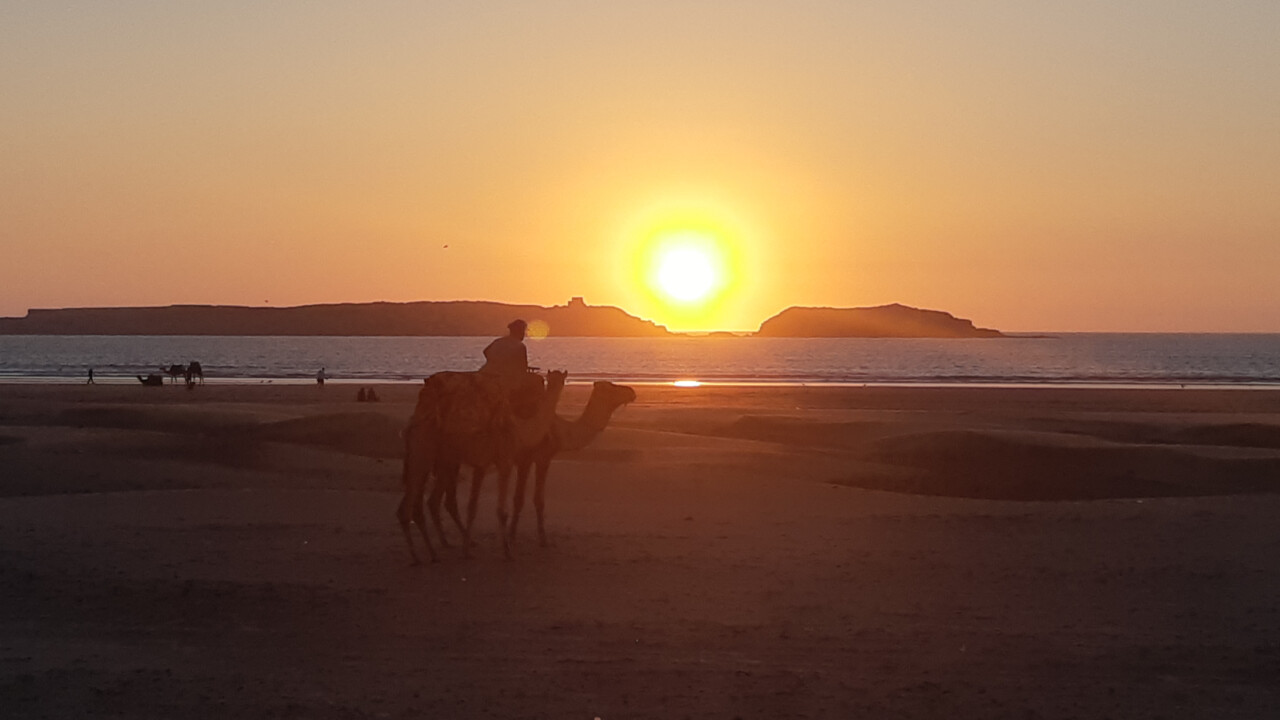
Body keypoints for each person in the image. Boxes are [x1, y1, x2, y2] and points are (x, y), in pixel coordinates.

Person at [479, 319, 530, 392]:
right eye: (524, 331)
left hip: (485, 374)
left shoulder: (498, 341)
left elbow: (485, 351)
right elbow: (523, 367)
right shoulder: (520, 346)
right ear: (520, 332)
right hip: (502, 381)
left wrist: (494, 361)